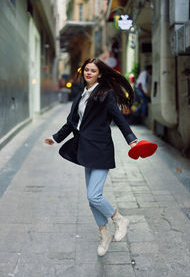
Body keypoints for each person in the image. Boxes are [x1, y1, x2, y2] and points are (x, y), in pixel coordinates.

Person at [45, 58, 138, 256]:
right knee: (92, 199)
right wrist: (55, 138)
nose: (88, 73)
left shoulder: (106, 94)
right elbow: (72, 123)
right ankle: (104, 234)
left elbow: (119, 118)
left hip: (101, 150)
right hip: (86, 150)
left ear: (100, 74)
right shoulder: (81, 96)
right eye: (86, 69)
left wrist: (132, 139)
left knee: (94, 195)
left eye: (92, 70)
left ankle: (119, 219)